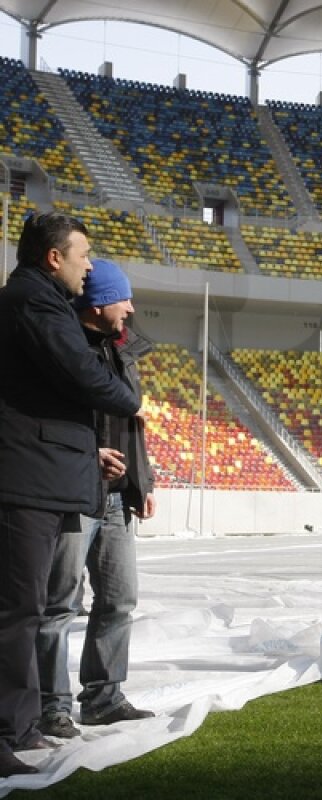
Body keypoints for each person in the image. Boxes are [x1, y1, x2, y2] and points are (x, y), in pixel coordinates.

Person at [0, 213, 140, 777]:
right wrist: (125, 398)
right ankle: (12, 727)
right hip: (26, 477)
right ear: (54, 257)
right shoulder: (35, 303)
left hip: (44, 472)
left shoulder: (35, 301)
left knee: (29, 608)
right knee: (19, 611)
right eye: (83, 255)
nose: (89, 265)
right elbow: (85, 377)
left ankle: (22, 723)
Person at [35, 259, 156, 740]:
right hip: (74, 491)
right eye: (123, 298)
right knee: (59, 605)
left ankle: (103, 698)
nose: (130, 307)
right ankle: (51, 706)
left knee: (119, 600)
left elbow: (132, 424)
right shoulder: (60, 348)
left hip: (116, 499)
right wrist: (88, 455)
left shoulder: (122, 351)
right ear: (100, 302)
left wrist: (142, 483)